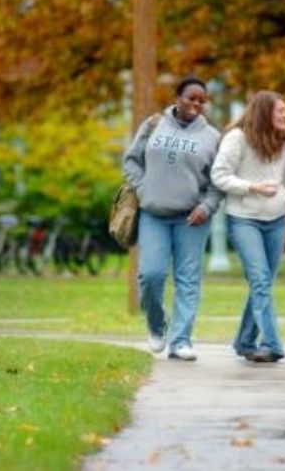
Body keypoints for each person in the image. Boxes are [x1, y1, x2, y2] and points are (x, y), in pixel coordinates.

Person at [123, 75, 223, 361]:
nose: (196, 104)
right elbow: (131, 161)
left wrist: (206, 207)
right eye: (191, 98)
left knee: (188, 280)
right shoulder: (154, 124)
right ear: (177, 97)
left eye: (202, 100)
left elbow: (217, 183)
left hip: (191, 219)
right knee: (151, 275)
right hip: (153, 214)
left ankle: (181, 341)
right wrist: (143, 189)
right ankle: (157, 325)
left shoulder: (212, 137)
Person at [211, 90, 285, 363]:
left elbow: (279, 176)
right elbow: (219, 175)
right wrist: (252, 187)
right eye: (280, 110)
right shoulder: (237, 138)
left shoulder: (283, 140)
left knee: (263, 283)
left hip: (276, 219)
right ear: (265, 112)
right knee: (260, 280)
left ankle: (245, 340)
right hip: (244, 219)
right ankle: (272, 344)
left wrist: (278, 195)